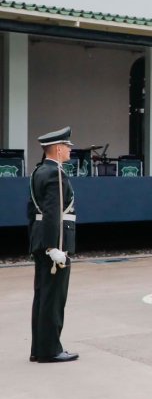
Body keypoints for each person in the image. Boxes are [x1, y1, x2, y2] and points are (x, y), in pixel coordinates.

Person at [29, 127, 79, 363]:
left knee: (42, 297)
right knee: (53, 299)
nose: (70, 150)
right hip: (54, 244)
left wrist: (38, 241)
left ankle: (38, 349)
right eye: (67, 146)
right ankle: (50, 350)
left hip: (40, 240)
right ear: (58, 149)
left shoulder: (38, 171)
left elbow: (32, 212)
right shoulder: (56, 174)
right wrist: (52, 247)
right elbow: (52, 213)